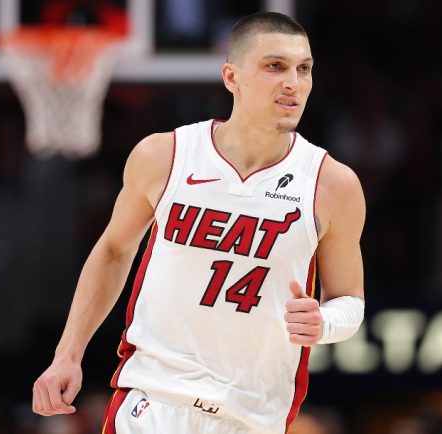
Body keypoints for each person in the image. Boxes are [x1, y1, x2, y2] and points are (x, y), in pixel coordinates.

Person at [31, 12, 366, 434]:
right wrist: (68, 354)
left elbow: (350, 302)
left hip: (251, 418)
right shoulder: (164, 155)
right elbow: (114, 251)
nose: (293, 83)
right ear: (232, 77)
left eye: (304, 69)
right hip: (152, 404)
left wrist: (324, 322)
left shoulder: (333, 184)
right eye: (275, 66)